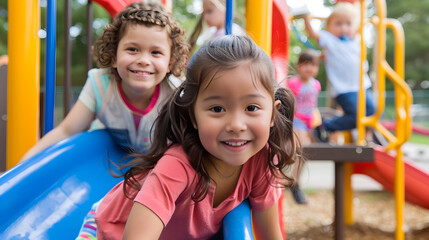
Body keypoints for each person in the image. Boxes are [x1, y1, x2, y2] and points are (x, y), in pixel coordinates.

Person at [94, 35, 303, 240]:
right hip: (106, 230)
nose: (236, 125)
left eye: (251, 107)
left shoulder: (261, 161)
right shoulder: (176, 167)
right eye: (217, 108)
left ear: (273, 114)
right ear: (193, 116)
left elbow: (269, 235)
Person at [21, 2, 189, 161]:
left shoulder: (176, 93)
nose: (144, 60)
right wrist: (23, 164)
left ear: (170, 63)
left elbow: (191, 141)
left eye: (156, 52)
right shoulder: (101, 84)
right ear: (114, 56)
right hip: (109, 162)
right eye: (132, 49)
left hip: (159, 163)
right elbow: (67, 130)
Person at [303, 2, 375, 142]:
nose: (343, 28)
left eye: (348, 24)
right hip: (344, 89)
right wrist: (306, 17)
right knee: (355, 116)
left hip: (363, 86)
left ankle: (367, 137)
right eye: (338, 23)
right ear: (329, 26)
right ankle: (326, 126)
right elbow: (312, 33)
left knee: (372, 110)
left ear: (355, 26)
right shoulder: (330, 40)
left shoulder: (357, 40)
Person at [286, 49, 321, 204]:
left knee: (306, 152)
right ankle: (292, 181)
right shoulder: (294, 83)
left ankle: (294, 180)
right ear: (299, 66)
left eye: (313, 65)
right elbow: (291, 103)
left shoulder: (316, 85)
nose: (309, 68)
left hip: (309, 122)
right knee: (300, 148)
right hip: (296, 120)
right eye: (305, 64)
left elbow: (313, 105)